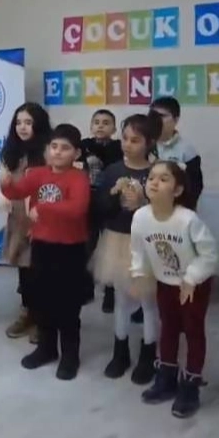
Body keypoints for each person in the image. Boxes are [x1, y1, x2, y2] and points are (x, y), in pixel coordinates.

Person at [0, 124, 90, 381]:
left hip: (70, 249)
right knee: (42, 301)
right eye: (54, 146)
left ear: (76, 153)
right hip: (42, 246)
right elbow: (18, 192)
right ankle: (47, 348)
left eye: (65, 148)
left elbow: (77, 209)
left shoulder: (78, 178)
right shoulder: (38, 173)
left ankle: (70, 356)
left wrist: (44, 208)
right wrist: (7, 185)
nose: (58, 152)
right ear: (47, 149)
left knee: (68, 306)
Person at [132, 161, 218, 419]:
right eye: (151, 177)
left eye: (163, 179)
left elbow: (209, 254)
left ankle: (190, 384)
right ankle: (166, 376)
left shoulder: (188, 220)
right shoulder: (141, 217)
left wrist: (192, 278)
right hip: (165, 282)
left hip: (193, 285)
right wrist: (138, 274)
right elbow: (138, 250)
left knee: (193, 331)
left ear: (177, 190)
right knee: (168, 328)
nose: (154, 183)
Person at [94, 114, 160, 385]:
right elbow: (100, 207)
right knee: (122, 300)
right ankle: (120, 352)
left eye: (135, 140)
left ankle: (149, 354)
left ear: (149, 142)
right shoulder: (113, 170)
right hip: (118, 240)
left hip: (148, 244)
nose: (128, 144)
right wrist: (113, 196)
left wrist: (144, 201)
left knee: (149, 302)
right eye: (125, 138)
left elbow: (167, 211)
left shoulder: (157, 173)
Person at [0, 102, 51, 342]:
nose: (22, 127)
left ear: (38, 125)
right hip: (18, 218)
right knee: (24, 269)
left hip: (42, 218)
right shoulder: (11, 152)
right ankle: (27, 312)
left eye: (28, 122)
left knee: (41, 270)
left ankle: (43, 319)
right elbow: (5, 185)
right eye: (18, 122)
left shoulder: (48, 153)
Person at [80, 108, 123, 314]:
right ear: (91, 126)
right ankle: (86, 288)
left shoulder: (119, 148)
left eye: (106, 123)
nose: (100, 126)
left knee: (109, 250)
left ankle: (110, 292)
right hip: (87, 203)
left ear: (114, 129)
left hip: (110, 203)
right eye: (96, 122)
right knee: (87, 247)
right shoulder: (83, 145)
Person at [149, 96, 203, 210]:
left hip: (177, 210)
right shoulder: (145, 145)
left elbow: (195, 187)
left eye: (162, 116)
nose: (156, 120)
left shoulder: (187, 150)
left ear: (176, 119)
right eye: (153, 116)